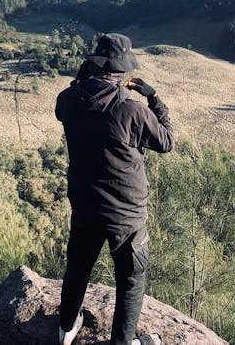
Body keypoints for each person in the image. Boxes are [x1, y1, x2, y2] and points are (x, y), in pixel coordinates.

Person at [56, 33, 174, 345]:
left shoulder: (68, 102)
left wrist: (84, 76)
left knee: (78, 268)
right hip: (127, 216)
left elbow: (68, 99)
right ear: (121, 74)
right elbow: (167, 142)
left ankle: (66, 328)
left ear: (93, 66)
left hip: (85, 207)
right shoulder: (133, 111)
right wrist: (155, 98)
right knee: (131, 280)